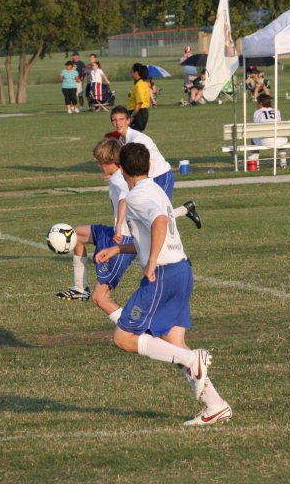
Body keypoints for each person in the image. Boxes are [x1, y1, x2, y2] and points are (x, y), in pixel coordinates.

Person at [95, 143, 231, 426]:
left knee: (123, 338)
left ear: (121, 168)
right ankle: (214, 405)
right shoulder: (156, 190)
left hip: (163, 274)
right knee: (173, 341)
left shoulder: (136, 198)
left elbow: (158, 223)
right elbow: (151, 232)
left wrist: (152, 261)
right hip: (182, 270)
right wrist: (117, 250)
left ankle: (195, 360)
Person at [56, 138, 202, 302]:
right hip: (116, 232)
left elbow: (125, 198)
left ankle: (128, 327)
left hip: (123, 236)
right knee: (75, 234)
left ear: (112, 162)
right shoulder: (119, 176)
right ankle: (80, 287)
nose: (99, 166)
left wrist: (119, 225)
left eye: (101, 162)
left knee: (100, 298)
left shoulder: (121, 180)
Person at [110, 106, 174, 198]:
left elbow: (144, 163)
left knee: (162, 209)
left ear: (128, 120)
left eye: (121, 119)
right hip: (147, 179)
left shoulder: (137, 139)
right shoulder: (121, 140)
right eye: (114, 120)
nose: (118, 123)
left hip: (161, 175)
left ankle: (187, 209)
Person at [251, 94, 288, 169]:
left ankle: (255, 162)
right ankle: (283, 162)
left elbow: (256, 128)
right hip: (280, 140)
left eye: (257, 102)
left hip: (266, 140)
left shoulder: (257, 112)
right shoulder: (277, 111)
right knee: (280, 134)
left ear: (261, 103)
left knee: (253, 136)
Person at [127, 63, 151, 130]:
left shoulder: (139, 85)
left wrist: (132, 116)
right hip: (138, 112)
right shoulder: (140, 83)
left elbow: (139, 103)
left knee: (133, 135)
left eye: (132, 71)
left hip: (139, 113)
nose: (131, 73)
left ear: (136, 72)